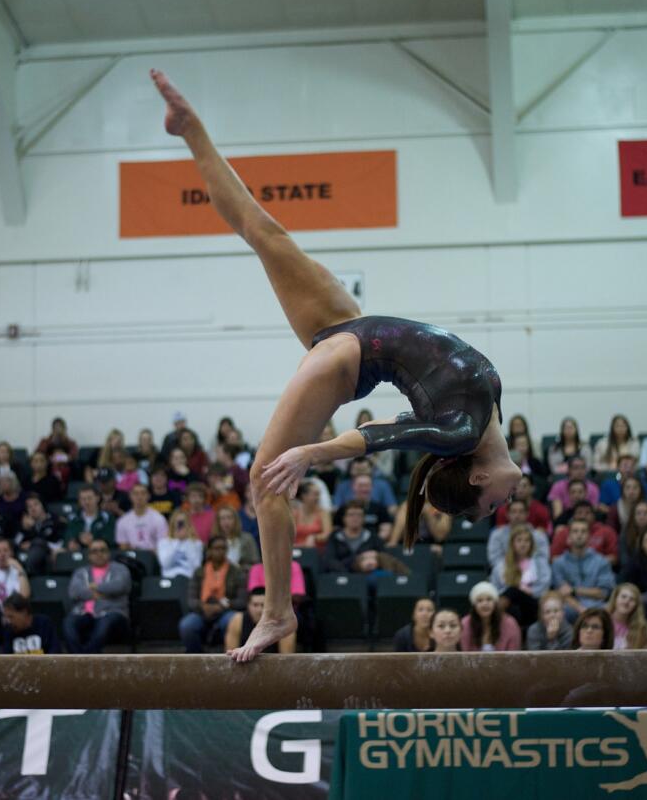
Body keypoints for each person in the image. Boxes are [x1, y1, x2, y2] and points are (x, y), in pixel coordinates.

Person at [153, 70, 520, 662]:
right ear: (477, 478)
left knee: (263, 479)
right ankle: (191, 130)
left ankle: (276, 611)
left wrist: (309, 453)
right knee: (261, 229)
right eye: (492, 506)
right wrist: (310, 452)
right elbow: (389, 427)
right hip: (353, 328)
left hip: (351, 354)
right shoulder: (477, 421)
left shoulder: (464, 431)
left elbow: (379, 436)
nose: (505, 498)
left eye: (494, 505)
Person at [64, 538, 131, 654]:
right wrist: (102, 593)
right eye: (94, 551)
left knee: (104, 624)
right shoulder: (81, 572)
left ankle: (87, 659)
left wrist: (95, 586)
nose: (99, 554)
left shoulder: (120, 569)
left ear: (109, 553)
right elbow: (74, 592)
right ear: (89, 555)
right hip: (84, 613)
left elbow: (120, 586)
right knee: (69, 623)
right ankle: (78, 659)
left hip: (112, 612)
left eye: (103, 550)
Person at [181, 536, 246, 653]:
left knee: (233, 621)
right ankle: (197, 658)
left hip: (226, 611)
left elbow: (242, 600)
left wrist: (222, 606)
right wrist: (203, 606)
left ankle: (229, 656)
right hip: (202, 611)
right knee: (187, 626)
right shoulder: (199, 572)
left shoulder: (236, 572)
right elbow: (191, 600)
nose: (220, 551)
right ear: (209, 550)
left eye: (223, 548)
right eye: (216, 548)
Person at [551, 519, 615, 622]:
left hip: (598, 606)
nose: (579, 535)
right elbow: (562, 594)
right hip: (570, 608)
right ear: (569, 537)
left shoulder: (602, 561)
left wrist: (574, 590)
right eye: (575, 531)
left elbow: (603, 593)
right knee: (560, 610)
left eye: (583, 531)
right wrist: (581, 609)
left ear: (589, 537)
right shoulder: (558, 563)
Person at [490, 524, 550, 628]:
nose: (523, 544)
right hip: (510, 606)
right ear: (512, 543)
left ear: (531, 544)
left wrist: (529, 591)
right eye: (519, 540)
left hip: (533, 603)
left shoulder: (540, 563)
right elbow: (495, 589)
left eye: (527, 541)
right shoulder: (502, 565)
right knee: (513, 605)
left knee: (513, 591)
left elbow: (544, 587)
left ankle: (491, 621)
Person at [225, 586, 297, 654]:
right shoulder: (238, 621)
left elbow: (286, 656)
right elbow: (230, 654)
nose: (259, 610)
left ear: (271, 606)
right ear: (248, 605)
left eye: (263, 605)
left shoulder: (282, 624)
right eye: (255, 605)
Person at [321, 502, 385, 573]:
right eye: (351, 515)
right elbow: (329, 559)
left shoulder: (373, 537)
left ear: (364, 518)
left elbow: (383, 559)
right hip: (339, 577)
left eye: (359, 515)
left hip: (367, 577)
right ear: (344, 518)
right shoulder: (335, 537)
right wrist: (346, 572)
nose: (355, 518)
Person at [487, 498, 550, 571]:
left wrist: (527, 572)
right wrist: (513, 573)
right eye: (513, 512)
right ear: (507, 514)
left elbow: (543, 560)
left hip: (534, 575)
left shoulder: (539, 536)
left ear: (527, 514)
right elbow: (495, 560)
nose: (517, 515)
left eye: (521, 512)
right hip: (504, 575)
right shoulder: (497, 535)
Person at [550, 501, 618, 567]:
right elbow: (553, 559)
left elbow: (614, 558)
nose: (583, 516)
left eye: (587, 513)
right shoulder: (563, 533)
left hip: (598, 572)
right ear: (573, 516)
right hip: (569, 572)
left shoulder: (606, 531)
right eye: (579, 513)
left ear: (594, 516)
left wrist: (592, 564)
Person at [459, 581, 522, 652]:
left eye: (489, 599)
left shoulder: (510, 624)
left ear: (495, 603)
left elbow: (513, 655)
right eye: (480, 601)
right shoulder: (465, 624)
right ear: (474, 605)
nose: (485, 604)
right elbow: (464, 655)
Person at [14, 494, 63, 575]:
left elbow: (54, 542)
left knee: (38, 544)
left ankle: (27, 573)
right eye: (29, 506)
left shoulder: (55, 521)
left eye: (36, 504)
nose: (33, 508)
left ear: (42, 505)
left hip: (49, 554)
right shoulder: (26, 525)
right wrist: (24, 529)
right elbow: (15, 542)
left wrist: (32, 540)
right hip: (30, 555)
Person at [115, 483, 169, 551]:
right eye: (136, 494)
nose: (139, 497)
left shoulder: (159, 519)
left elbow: (163, 545)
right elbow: (123, 546)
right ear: (130, 496)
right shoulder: (122, 521)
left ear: (149, 496)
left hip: (153, 557)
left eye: (143, 493)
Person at [332, 457, 398, 512]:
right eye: (357, 469)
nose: (361, 472)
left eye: (364, 469)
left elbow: (392, 507)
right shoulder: (342, 486)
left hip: (375, 519)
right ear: (350, 471)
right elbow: (336, 508)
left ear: (371, 469)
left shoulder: (382, 485)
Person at [64, 484, 117, 551]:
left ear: (97, 498)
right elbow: (67, 538)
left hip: (100, 552)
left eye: (89, 498)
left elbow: (110, 539)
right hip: (77, 552)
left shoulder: (107, 517)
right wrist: (76, 540)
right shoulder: (72, 518)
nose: (86, 502)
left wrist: (94, 539)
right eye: (83, 499)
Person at [387, 498, 451, 550]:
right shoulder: (408, 506)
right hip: (412, 543)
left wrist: (428, 514)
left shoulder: (444, 505)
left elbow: (440, 537)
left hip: (433, 544)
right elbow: (397, 539)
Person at [344, 474, 394, 540]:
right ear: (353, 487)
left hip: (373, 545)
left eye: (367, 485)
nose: (364, 489)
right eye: (360, 485)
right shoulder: (344, 508)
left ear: (372, 487)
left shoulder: (380, 509)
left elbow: (386, 531)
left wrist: (372, 543)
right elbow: (337, 531)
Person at [158, 509, 204, 579]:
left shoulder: (197, 543)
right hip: (170, 579)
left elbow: (196, 567)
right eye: (178, 523)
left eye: (182, 523)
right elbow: (165, 564)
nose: (180, 526)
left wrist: (188, 541)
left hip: (189, 579)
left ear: (188, 524)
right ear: (173, 524)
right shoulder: (163, 543)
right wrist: (177, 542)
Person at [607, 582, 647, 649]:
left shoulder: (642, 627)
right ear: (615, 598)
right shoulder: (602, 620)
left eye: (632, 599)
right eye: (623, 597)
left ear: (636, 605)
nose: (626, 602)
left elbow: (643, 655)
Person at [36, 418, 79, 485]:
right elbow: (39, 454)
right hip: (48, 466)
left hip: (66, 466)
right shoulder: (45, 441)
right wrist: (51, 441)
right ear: (52, 429)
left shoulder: (71, 443)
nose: (58, 430)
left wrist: (57, 458)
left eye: (60, 428)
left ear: (65, 429)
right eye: (56, 428)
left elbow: (73, 456)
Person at [291, 481, 332, 548]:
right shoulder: (295, 513)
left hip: (317, 552)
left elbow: (328, 534)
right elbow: (288, 534)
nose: (318, 498)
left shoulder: (323, 513)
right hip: (297, 549)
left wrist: (314, 537)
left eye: (318, 495)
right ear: (304, 496)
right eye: (315, 494)